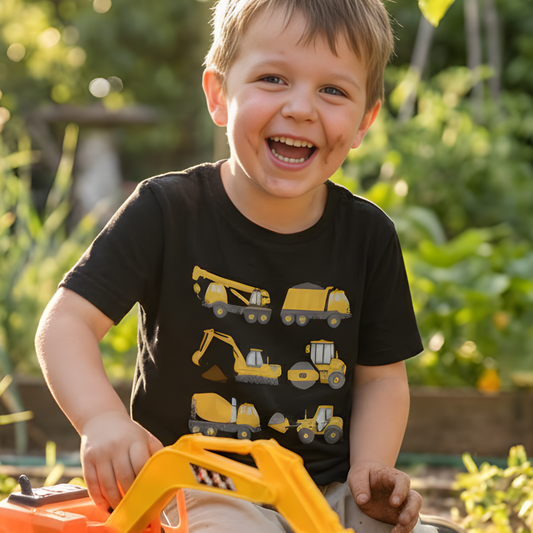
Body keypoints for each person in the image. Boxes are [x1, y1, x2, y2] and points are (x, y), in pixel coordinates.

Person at [35, 0, 426, 531]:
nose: (301, 108)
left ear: (364, 120)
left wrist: (370, 471)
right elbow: (66, 323)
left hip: (326, 492)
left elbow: (380, 379)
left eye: (333, 90)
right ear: (219, 95)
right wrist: (101, 420)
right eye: (273, 78)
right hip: (195, 486)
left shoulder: (368, 236)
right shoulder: (167, 212)